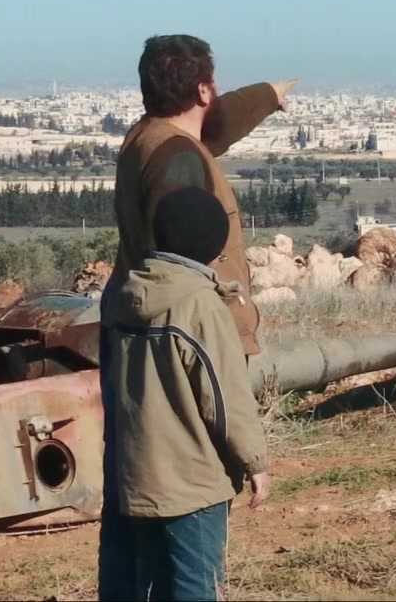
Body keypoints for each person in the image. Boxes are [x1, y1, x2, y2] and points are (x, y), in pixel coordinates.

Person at [99, 34, 293, 600]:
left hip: (139, 331)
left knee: (135, 501)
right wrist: (252, 458)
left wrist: (266, 96)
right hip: (177, 341)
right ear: (205, 88)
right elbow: (183, 237)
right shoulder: (178, 162)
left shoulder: (148, 136)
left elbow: (209, 129)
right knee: (186, 511)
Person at [101, 186, 271, 601]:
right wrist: (255, 461)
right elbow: (224, 398)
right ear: (212, 245)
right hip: (193, 483)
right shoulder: (200, 306)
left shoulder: (125, 297)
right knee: (198, 586)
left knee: (153, 586)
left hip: (139, 479)